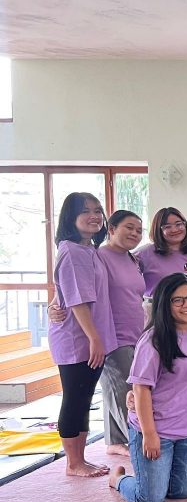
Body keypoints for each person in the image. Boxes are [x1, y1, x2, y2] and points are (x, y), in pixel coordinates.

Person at [110, 273, 187, 502]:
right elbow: (140, 388)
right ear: (164, 304)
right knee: (149, 499)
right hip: (157, 429)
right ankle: (118, 479)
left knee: (183, 492)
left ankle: (155, 476)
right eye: (177, 300)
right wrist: (149, 435)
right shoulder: (153, 340)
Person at [47, 192, 117, 477]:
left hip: (91, 336)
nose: (94, 216)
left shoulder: (89, 250)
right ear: (71, 217)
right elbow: (76, 300)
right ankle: (73, 463)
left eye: (98, 210)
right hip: (79, 339)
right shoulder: (72, 251)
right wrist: (94, 339)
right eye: (86, 211)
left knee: (85, 397)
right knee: (75, 398)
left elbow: (62, 292)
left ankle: (80, 459)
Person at [95, 210, 146, 456]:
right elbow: (76, 285)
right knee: (124, 390)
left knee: (119, 386)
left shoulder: (132, 259)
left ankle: (114, 441)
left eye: (139, 230)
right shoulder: (99, 256)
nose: (135, 233)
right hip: (112, 334)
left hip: (136, 332)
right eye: (129, 227)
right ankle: (138, 442)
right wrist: (54, 306)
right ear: (112, 229)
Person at [136, 207, 187, 301]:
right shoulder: (145, 252)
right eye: (167, 227)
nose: (174, 230)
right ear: (158, 230)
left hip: (185, 305)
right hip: (155, 306)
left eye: (179, 224)